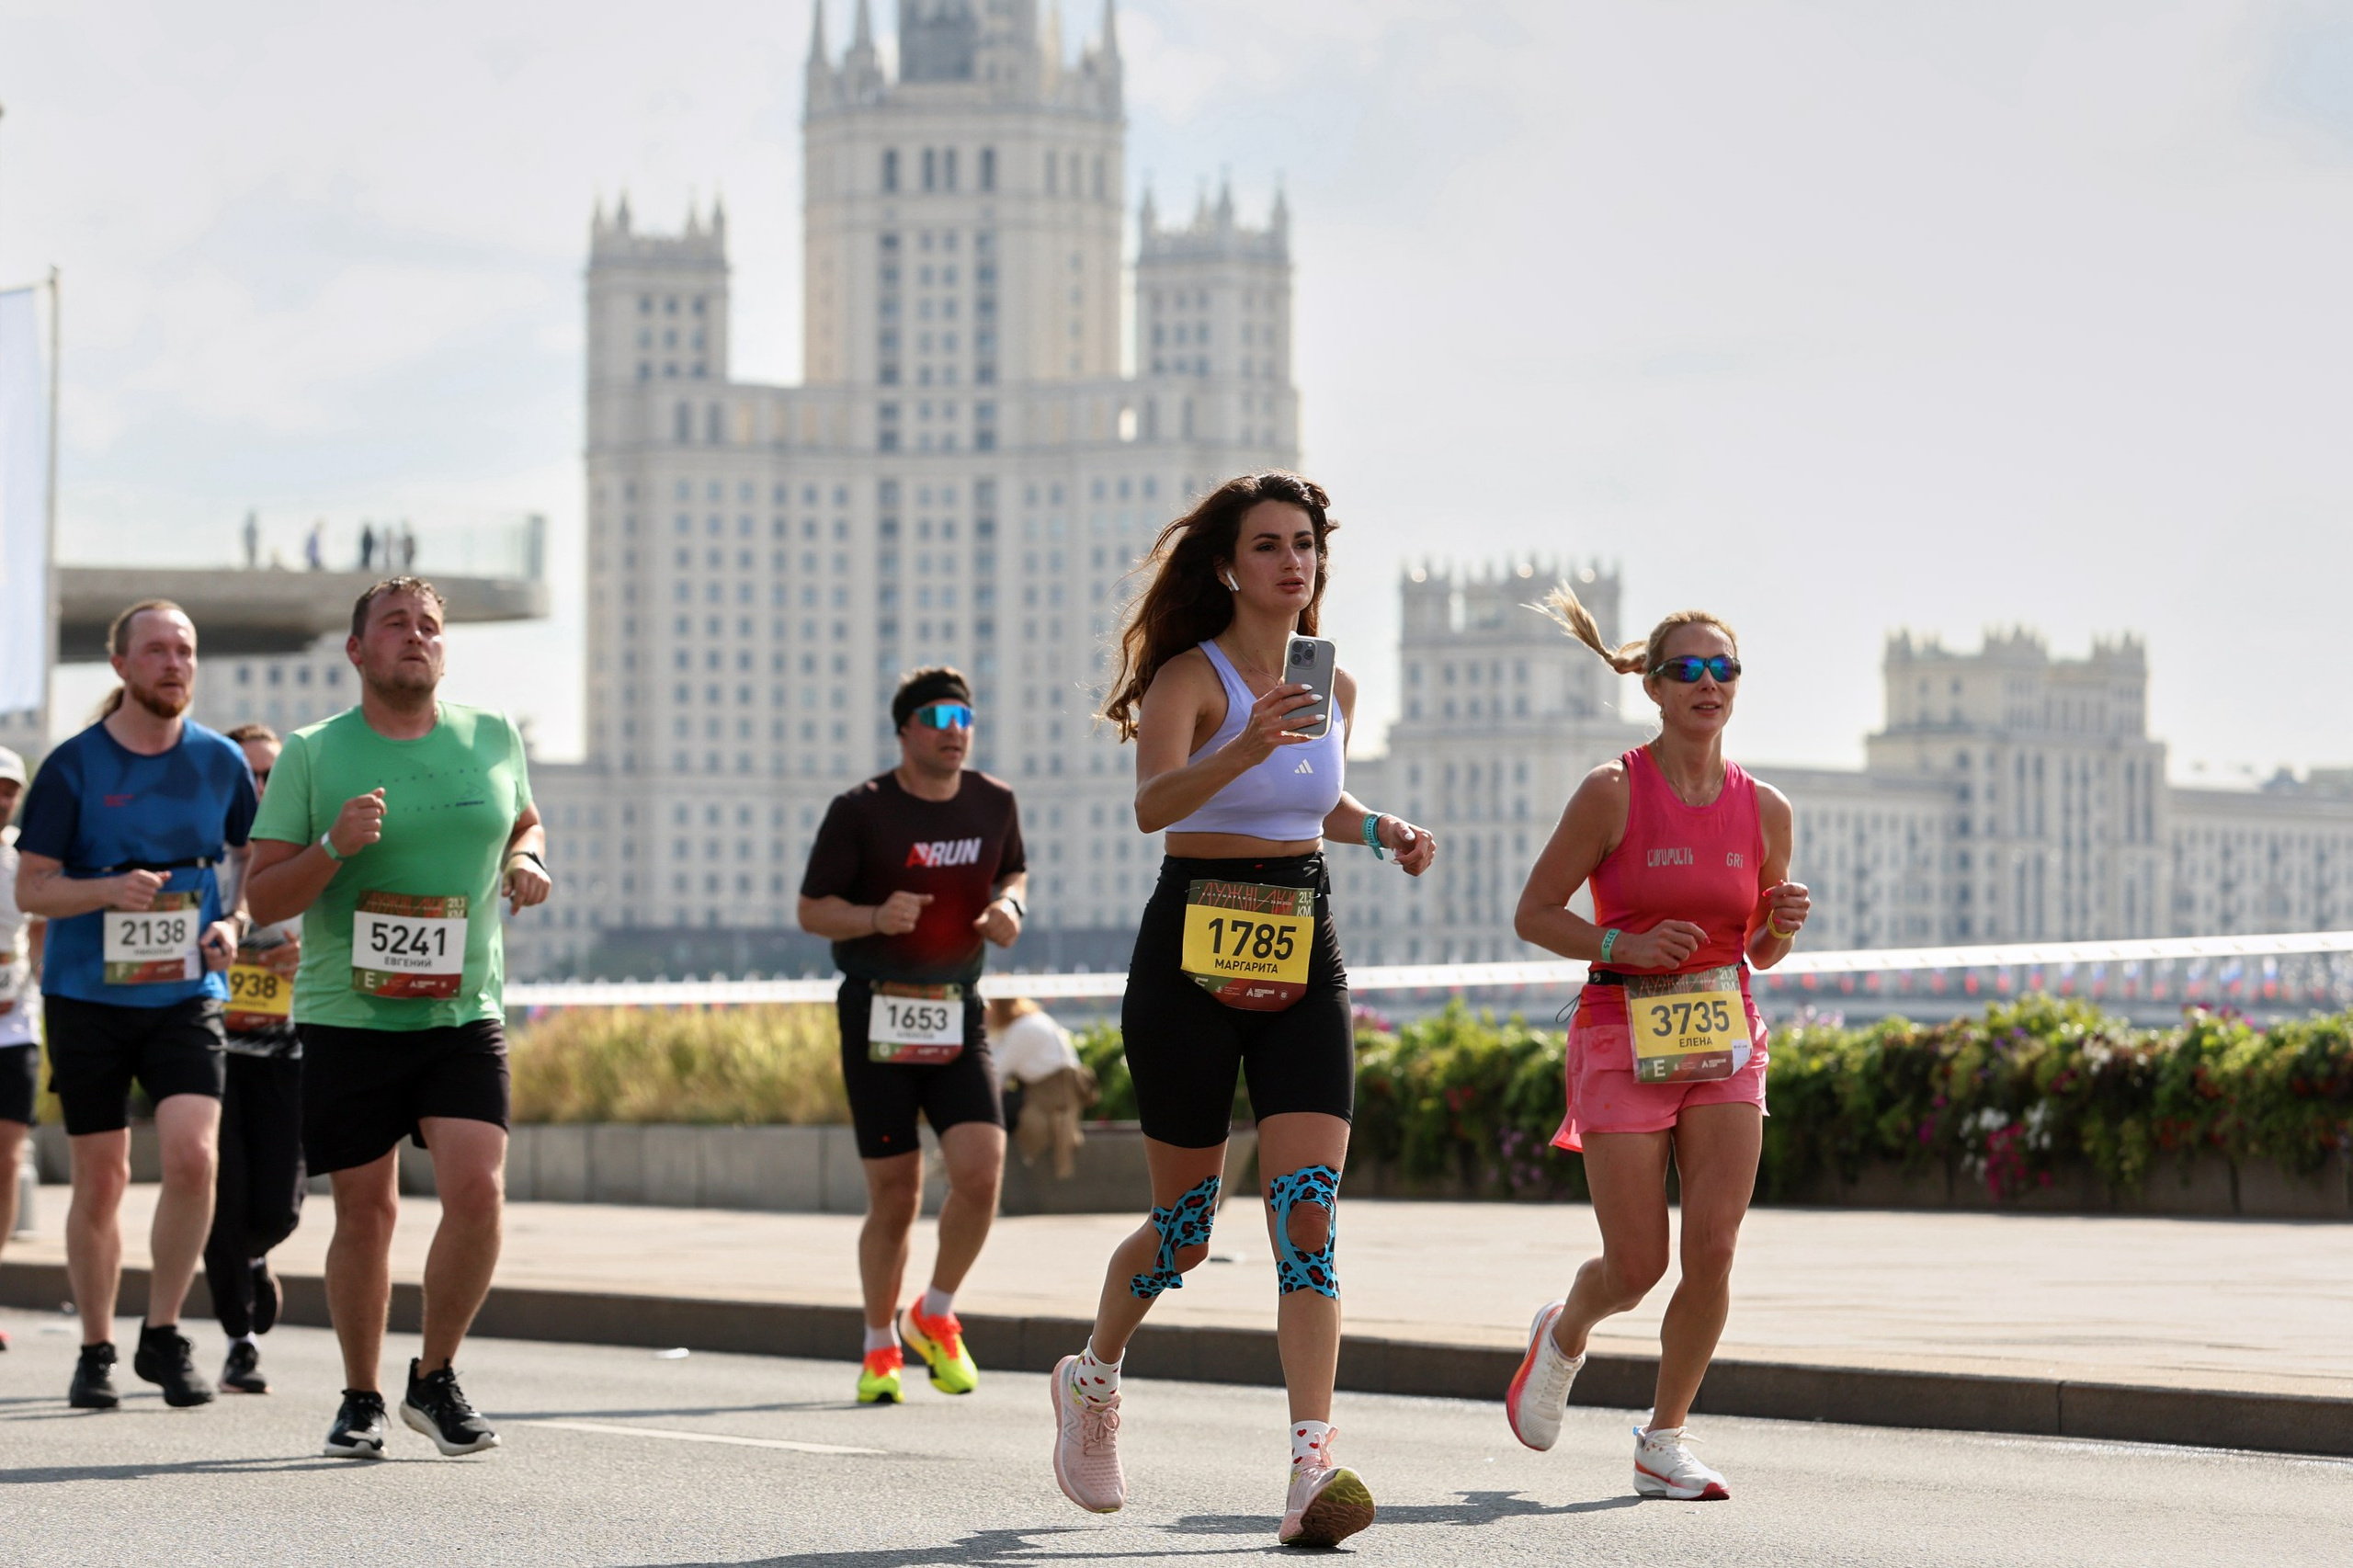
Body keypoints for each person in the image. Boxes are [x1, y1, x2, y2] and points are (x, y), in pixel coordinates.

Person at [1050, 472, 1436, 1549]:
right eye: (1268, 545)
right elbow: (1152, 803)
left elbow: (1318, 803)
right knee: (1183, 1232)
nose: (1291, 562)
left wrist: (1381, 831)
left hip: (1301, 936)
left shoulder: (1334, 685)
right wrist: (1246, 741)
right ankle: (1093, 1373)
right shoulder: (1191, 675)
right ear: (1228, 565)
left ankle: (1311, 1461)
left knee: (1305, 1210)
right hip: (1190, 946)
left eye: (1305, 544)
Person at [1500, 586, 1810, 1502]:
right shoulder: (1610, 790)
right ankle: (1564, 1330)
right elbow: (1532, 911)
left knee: (1712, 1247)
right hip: (1619, 1032)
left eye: (1723, 669)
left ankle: (1663, 1437)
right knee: (1637, 1264)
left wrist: (1781, 924)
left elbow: (1755, 947)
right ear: (1653, 684)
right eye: (1688, 668)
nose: (1708, 682)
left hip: (1724, 1033)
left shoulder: (1767, 808)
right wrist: (1620, 944)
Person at [244, 576, 550, 1459]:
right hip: (350, 1014)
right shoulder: (312, 752)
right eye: (395, 625)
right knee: (366, 1211)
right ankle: (361, 1394)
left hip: (462, 1009)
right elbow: (263, 894)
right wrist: (334, 846)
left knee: (479, 1191)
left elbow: (524, 817)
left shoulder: (490, 734)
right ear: (357, 651)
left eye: (429, 626)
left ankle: (436, 1376)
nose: (416, 637)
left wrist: (528, 859)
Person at [13, 603, 256, 1409]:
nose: (174, 663)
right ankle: (95, 1346)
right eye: (156, 650)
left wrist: (232, 920)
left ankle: (162, 1332)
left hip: (186, 988)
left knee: (193, 1156)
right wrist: (106, 890)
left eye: (185, 649)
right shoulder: (74, 767)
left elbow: (246, 854)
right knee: (103, 1176)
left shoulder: (220, 762)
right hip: (88, 996)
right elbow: (32, 884)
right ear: (119, 665)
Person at [797, 667, 1027, 1407]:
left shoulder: (995, 802)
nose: (954, 728)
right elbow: (811, 910)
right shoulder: (861, 810)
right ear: (905, 731)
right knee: (894, 1196)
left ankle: (935, 1308)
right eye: (936, 716)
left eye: (964, 715)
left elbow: (1014, 872)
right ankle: (878, 1346)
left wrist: (1008, 908)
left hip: (956, 1006)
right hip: (877, 1014)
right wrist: (872, 918)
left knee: (982, 1170)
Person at [206, 723, 307, 1394]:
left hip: (289, 1052)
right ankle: (239, 1340)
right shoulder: (202, 857)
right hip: (208, 1054)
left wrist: (306, 955)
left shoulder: (307, 854)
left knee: (278, 1205)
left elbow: (347, 934)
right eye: (249, 776)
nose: (261, 788)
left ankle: (258, 1254)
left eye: (272, 776)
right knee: (223, 1195)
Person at [0, 745, 46, 1354]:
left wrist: (26, 984)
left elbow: (40, 926)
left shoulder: (24, 856)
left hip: (15, 1025)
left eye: (9, 788)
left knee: (8, 1156)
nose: (1, 797)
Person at [984, 996, 1097, 1179]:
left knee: (984, 1115)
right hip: (1053, 1094)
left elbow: (993, 1070)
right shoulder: (1031, 1021)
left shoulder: (1023, 1029)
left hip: (1047, 1099)